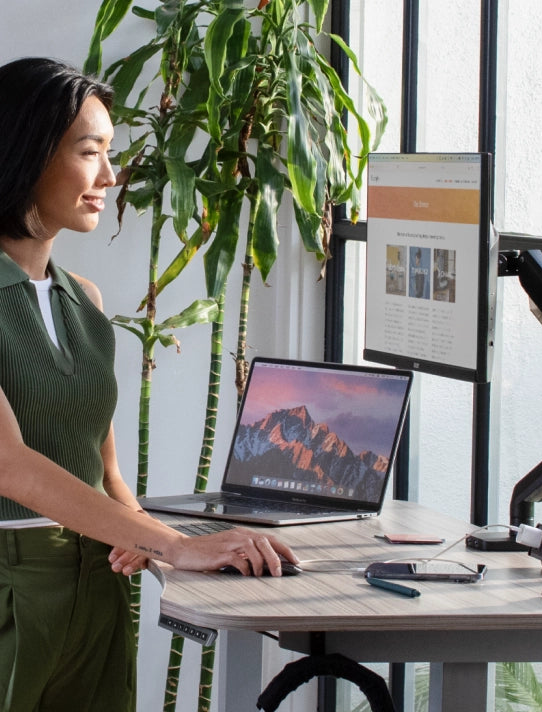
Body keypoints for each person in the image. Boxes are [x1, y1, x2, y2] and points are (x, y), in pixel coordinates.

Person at [0, 57, 298, 712]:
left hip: (100, 591)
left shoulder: (86, 300)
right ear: (25, 152)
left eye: (109, 153)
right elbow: (10, 464)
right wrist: (172, 544)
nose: (109, 175)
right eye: (90, 152)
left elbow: (107, 477)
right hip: (11, 588)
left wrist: (185, 548)